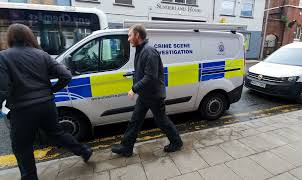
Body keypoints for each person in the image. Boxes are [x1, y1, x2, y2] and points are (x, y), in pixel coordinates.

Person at [0, 24, 92, 180]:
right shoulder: (42, 54)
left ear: (10, 38)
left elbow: (2, 88)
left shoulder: (4, 56)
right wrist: (51, 91)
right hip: (46, 106)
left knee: (22, 146)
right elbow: (66, 75)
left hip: (22, 110)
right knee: (57, 133)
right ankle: (84, 151)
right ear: (29, 36)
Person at [111, 24, 183, 157]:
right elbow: (141, 73)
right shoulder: (140, 50)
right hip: (145, 95)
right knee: (135, 120)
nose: (128, 39)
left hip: (154, 95)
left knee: (161, 121)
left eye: (130, 35)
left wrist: (134, 88)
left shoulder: (149, 51)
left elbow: (150, 77)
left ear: (137, 35)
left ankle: (177, 142)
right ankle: (126, 147)